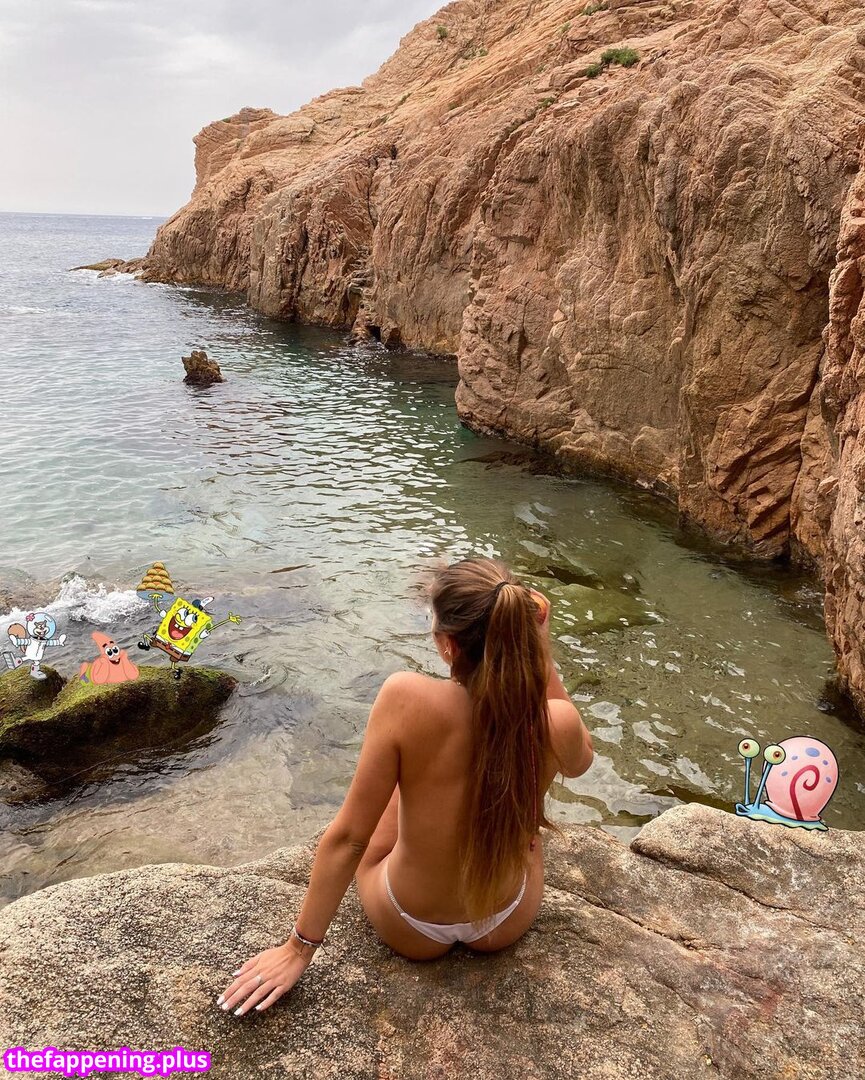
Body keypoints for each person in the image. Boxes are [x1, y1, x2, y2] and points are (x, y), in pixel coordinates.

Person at [217, 556, 593, 1016]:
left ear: (447, 645)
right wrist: (538, 647)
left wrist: (298, 949)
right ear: (522, 631)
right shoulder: (557, 720)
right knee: (522, 807)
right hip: (505, 917)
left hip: (410, 925)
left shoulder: (407, 698)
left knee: (401, 782)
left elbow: (350, 838)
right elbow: (580, 761)